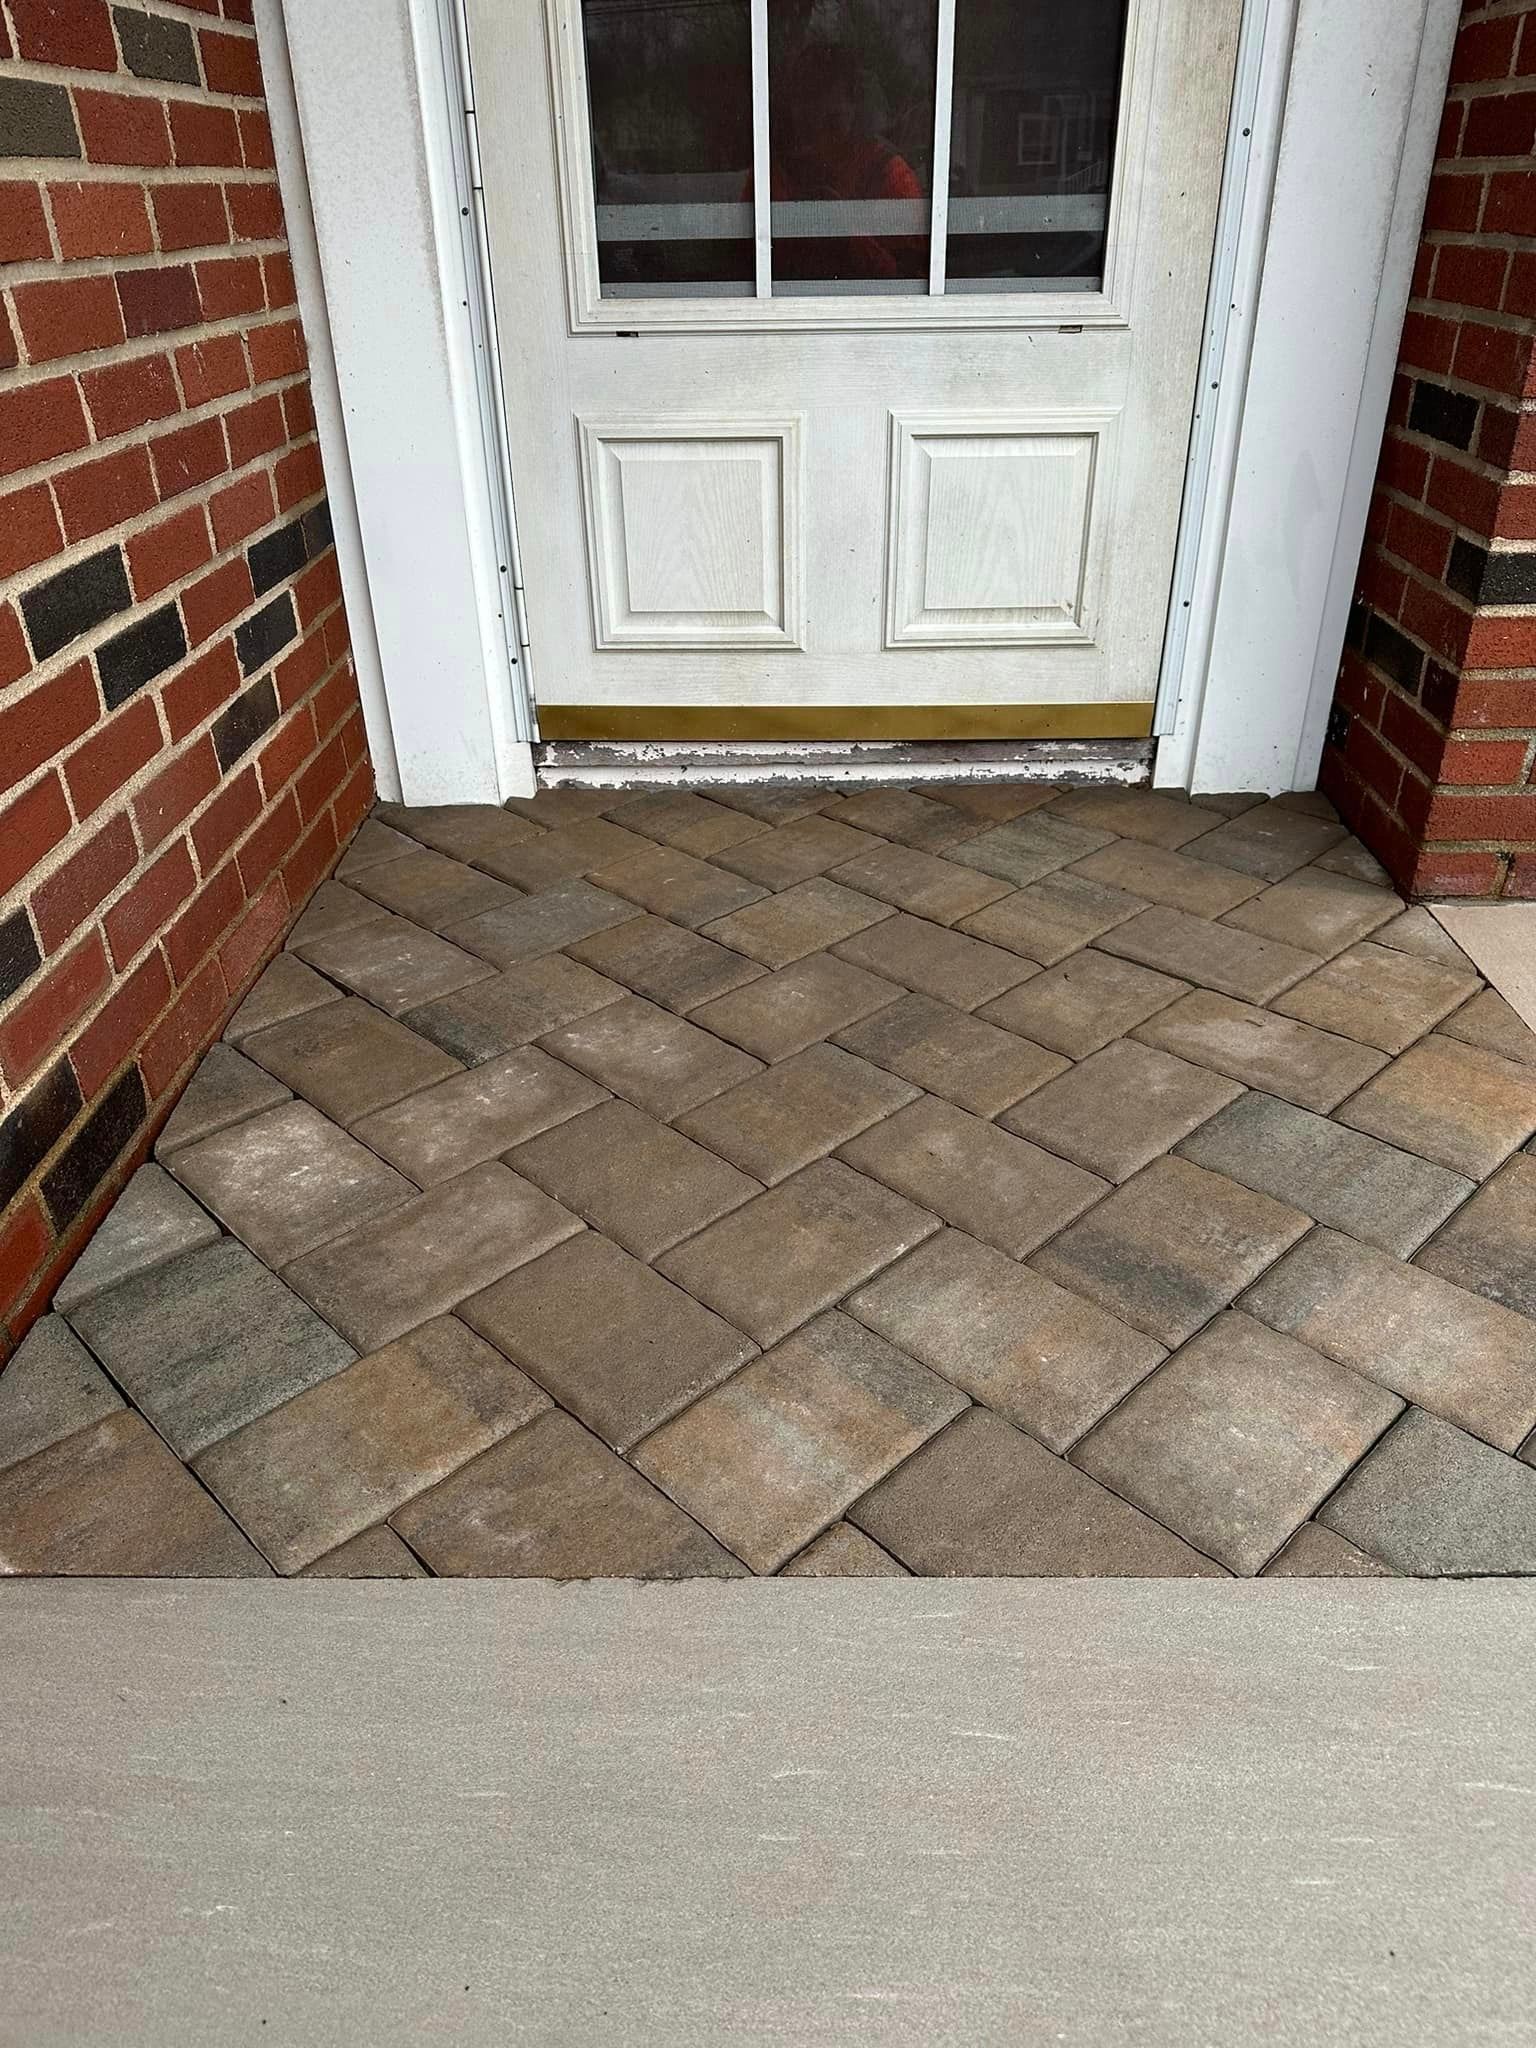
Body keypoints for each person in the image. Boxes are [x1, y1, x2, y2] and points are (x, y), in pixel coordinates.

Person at [756, 42, 926, 284]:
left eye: (831, 123)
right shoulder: (772, 175)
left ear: (855, 108)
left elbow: (908, 286)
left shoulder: (890, 177)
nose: (818, 140)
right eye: (806, 124)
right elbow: (739, 267)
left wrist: (842, 231)